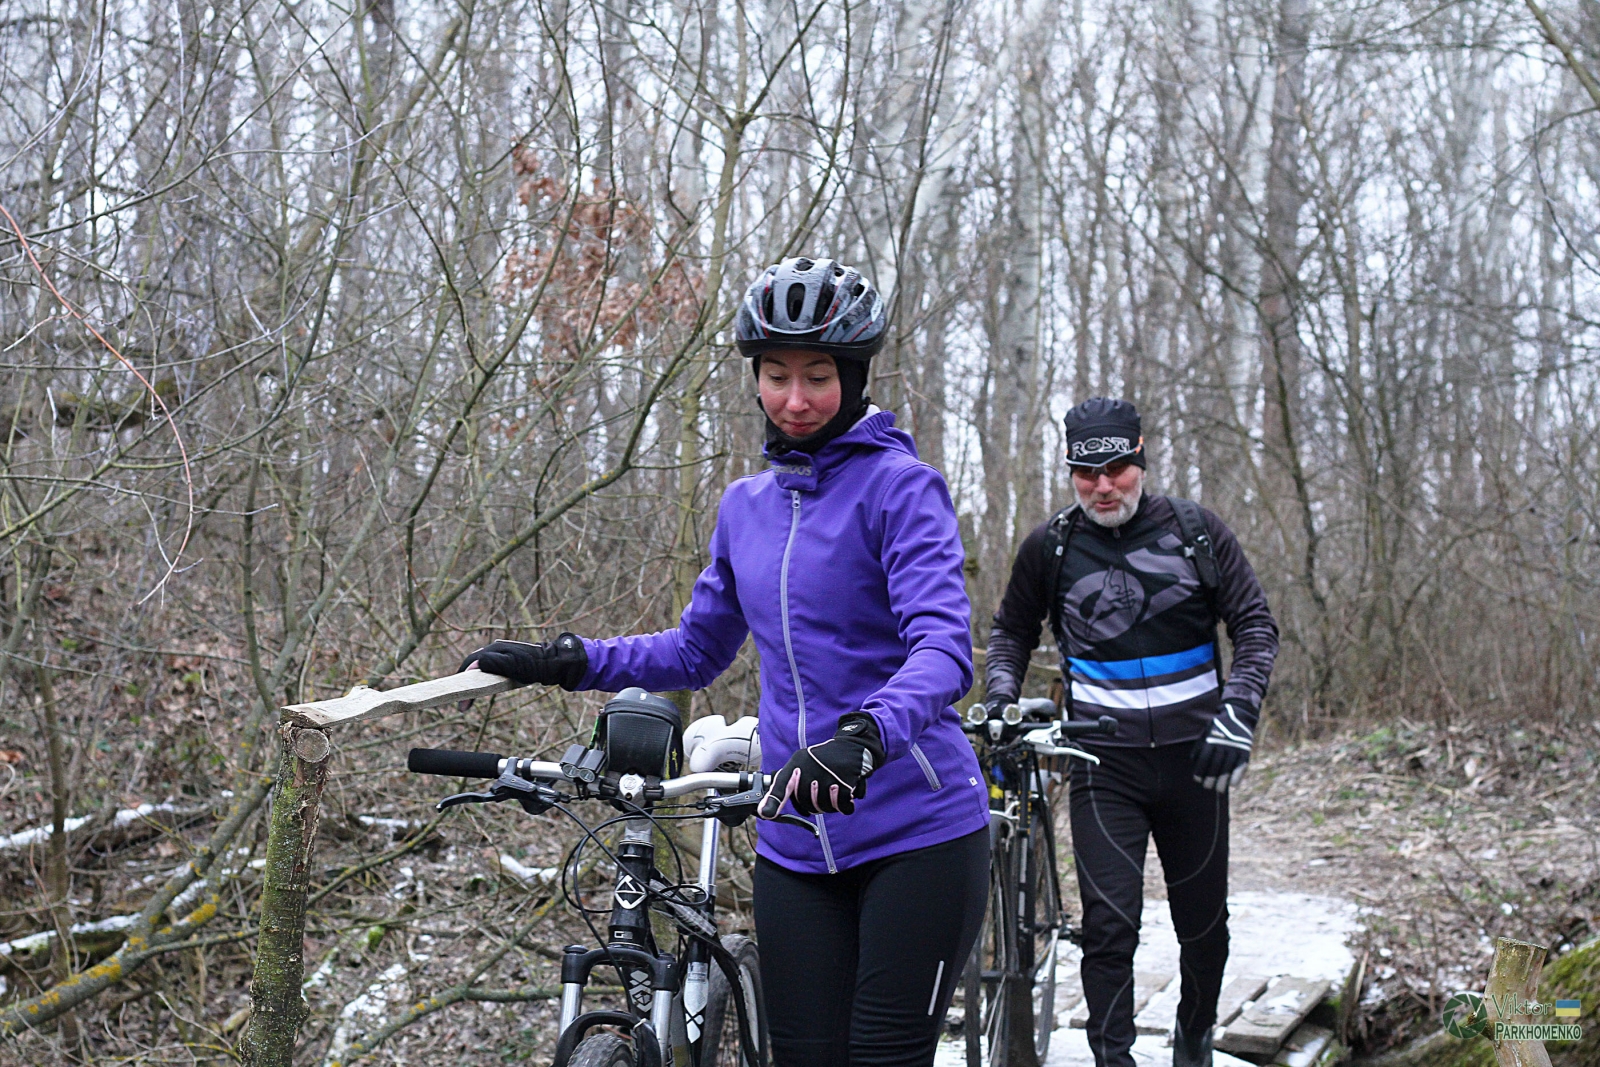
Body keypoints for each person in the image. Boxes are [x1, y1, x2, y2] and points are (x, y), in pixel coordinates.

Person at [464, 257, 991, 1067]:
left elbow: (944, 648)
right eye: (776, 375)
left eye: (818, 377)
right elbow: (696, 648)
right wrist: (567, 660)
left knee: (884, 1057)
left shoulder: (901, 489)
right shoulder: (745, 507)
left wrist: (865, 735)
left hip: (916, 830)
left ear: (854, 378)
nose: (795, 398)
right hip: (794, 838)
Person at [985, 397, 1280, 1067]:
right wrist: (1001, 695)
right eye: (1086, 473)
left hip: (1196, 763)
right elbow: (1010, 632)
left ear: (1141, 459)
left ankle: (1194, 1035)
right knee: (1109, 928)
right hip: (1101, 764)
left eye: (1117, 468)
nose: (1103, 487)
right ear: (1070, 472)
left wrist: (1238, 712)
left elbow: (1255, 626)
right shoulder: (1051, 546)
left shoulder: (1196, 531)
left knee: (1203, 929)